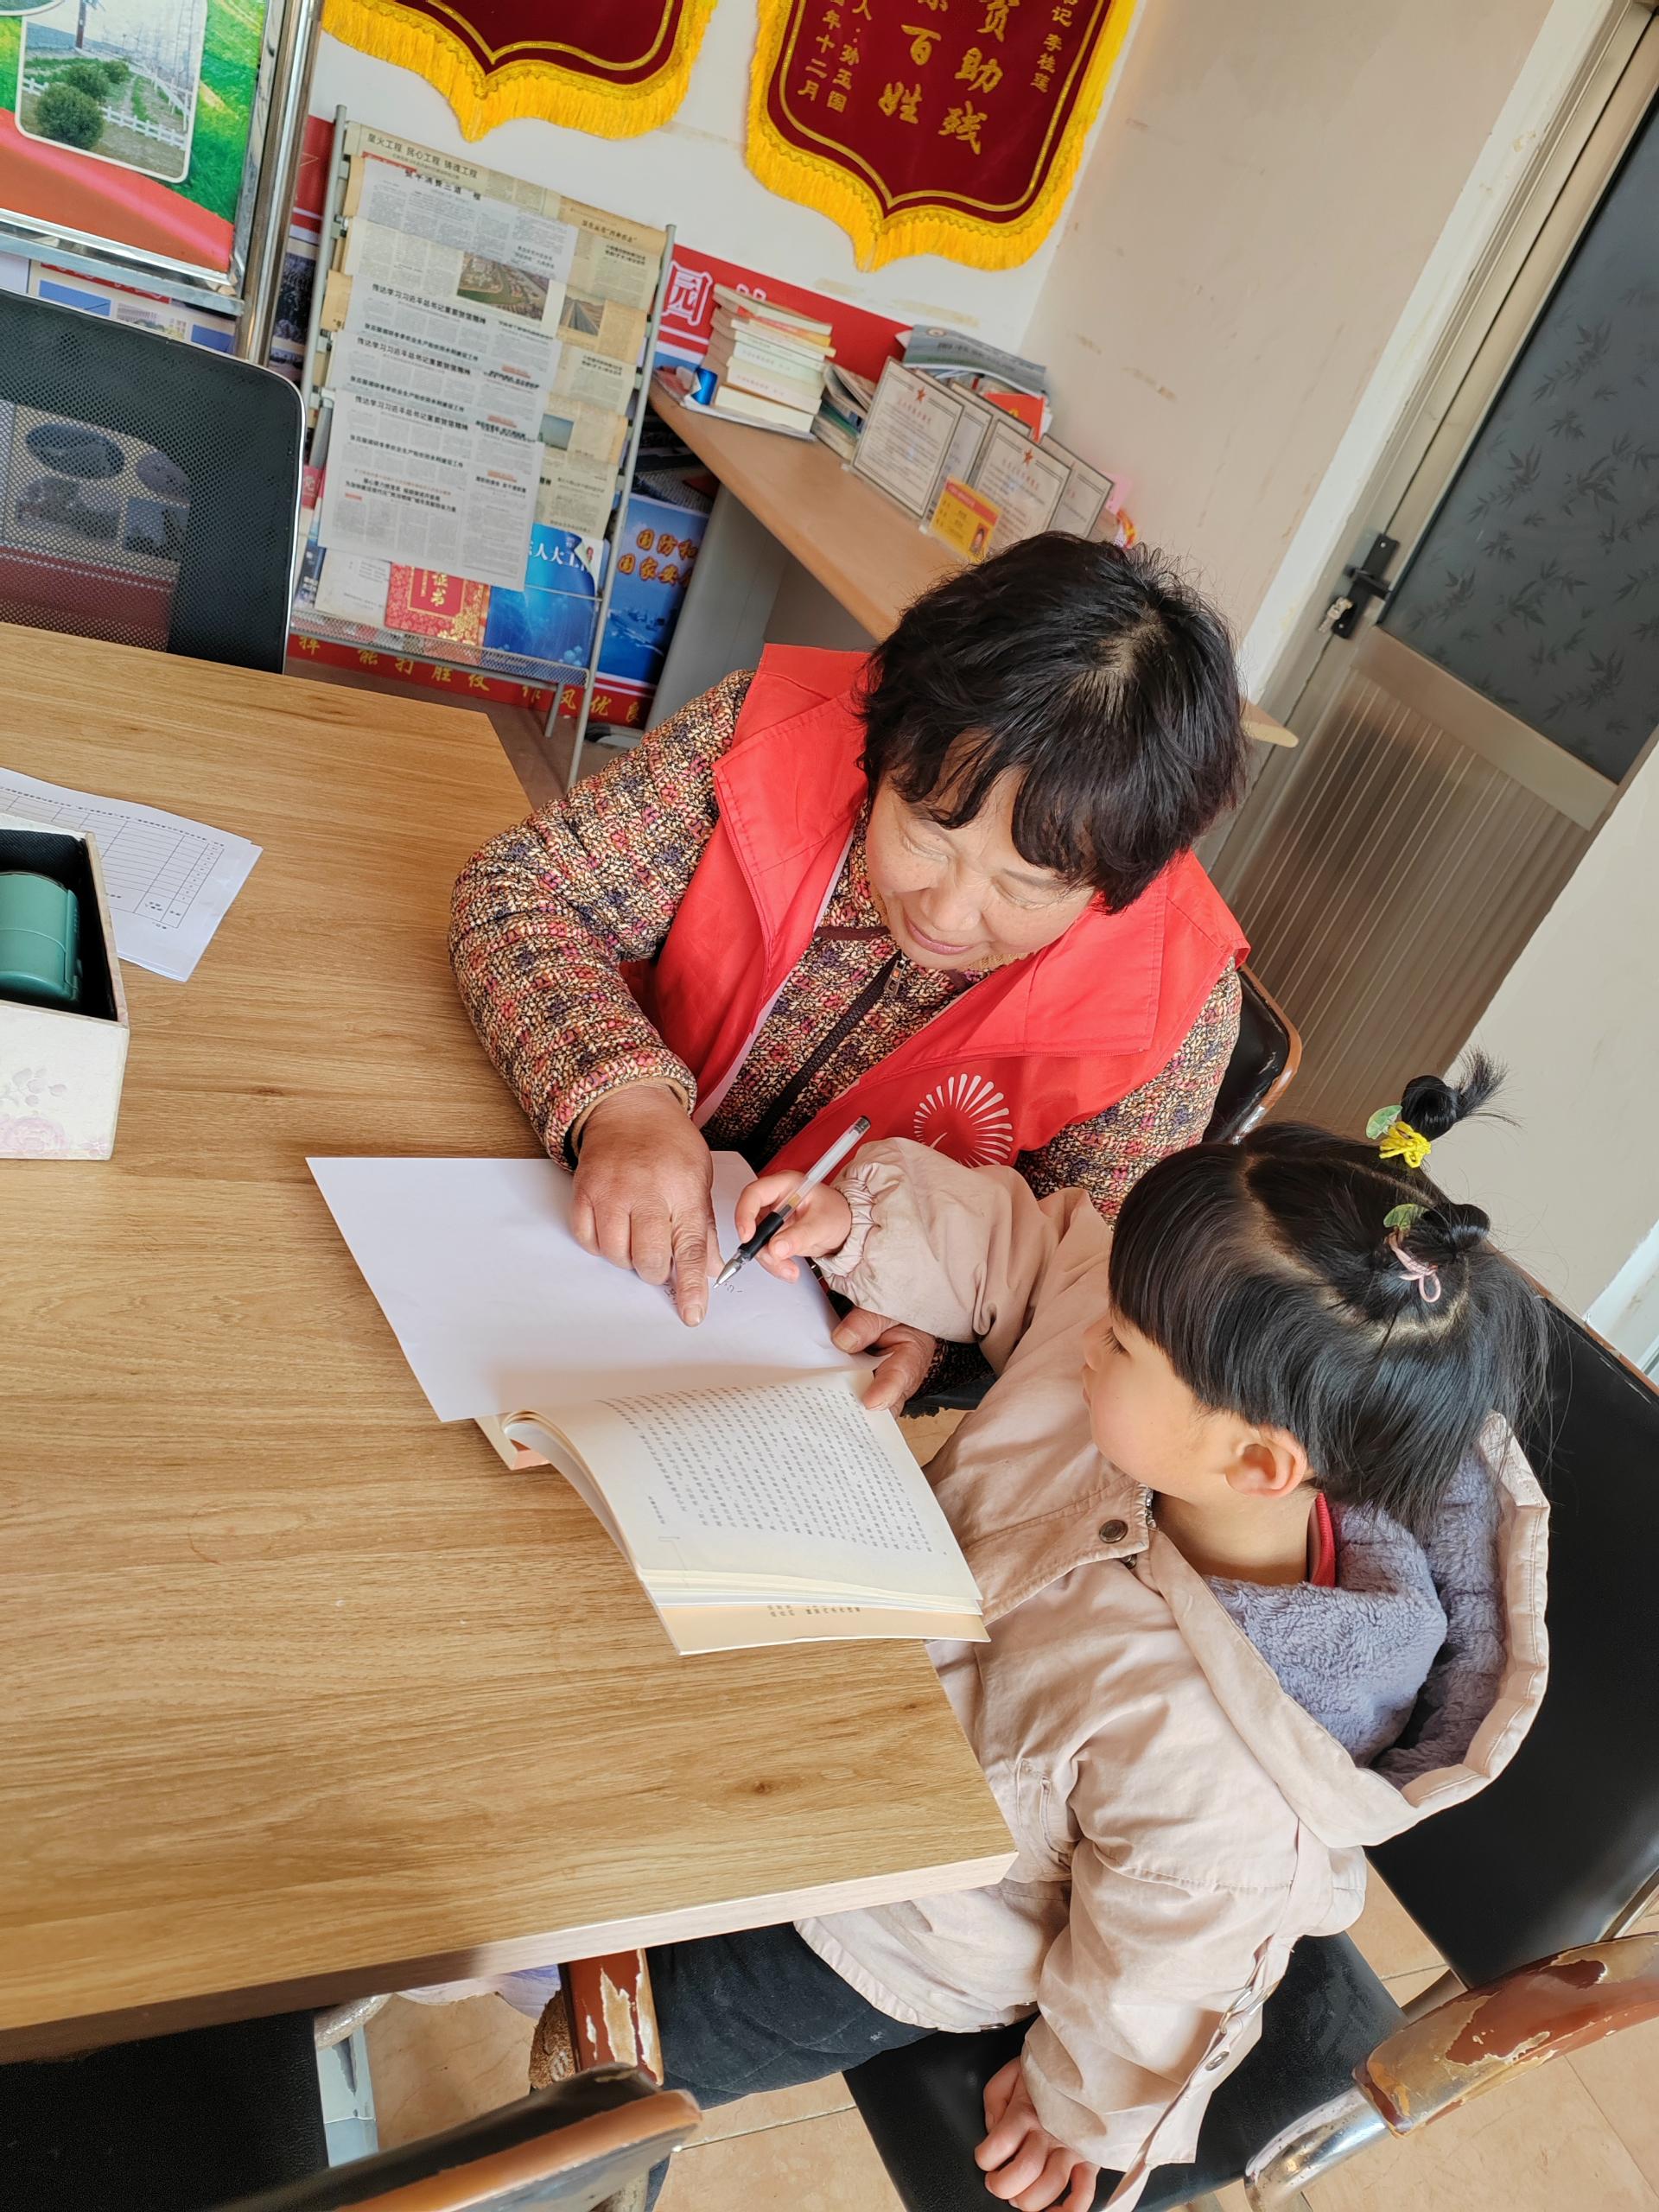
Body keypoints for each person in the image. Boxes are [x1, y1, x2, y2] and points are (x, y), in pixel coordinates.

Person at [632, 1058, 1550, 2209]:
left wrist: (1080, 2109)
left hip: (896, 1928)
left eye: (1119, 1341)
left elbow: (1169, 1968)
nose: (1089, 1334)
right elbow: (1046, 1256)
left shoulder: (1233, 1768)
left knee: (636, 2043)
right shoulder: (1167, 1354)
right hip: (841, 1697)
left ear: (1255, 1464)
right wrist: (862, 1226)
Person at [449, 536, 1250, 1350]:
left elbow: (1085, 1287)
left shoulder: (1173, 1000)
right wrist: (624, 1100)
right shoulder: (775, 731)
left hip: (783, 1352)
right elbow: (520, 891)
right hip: (557, 1182)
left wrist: (937, 1325)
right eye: (928, 835)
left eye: (1023, 888)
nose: (948, 915)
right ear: (884, 749)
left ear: (1120, 881)